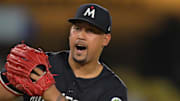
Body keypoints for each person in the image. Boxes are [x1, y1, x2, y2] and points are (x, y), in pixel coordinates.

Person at [0, 3, 127, 101]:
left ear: (105, 39)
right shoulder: (41, 66)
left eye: (90, 31)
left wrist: (54, 96)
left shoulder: (112, 89)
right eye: (77, 28)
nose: (81, 36)